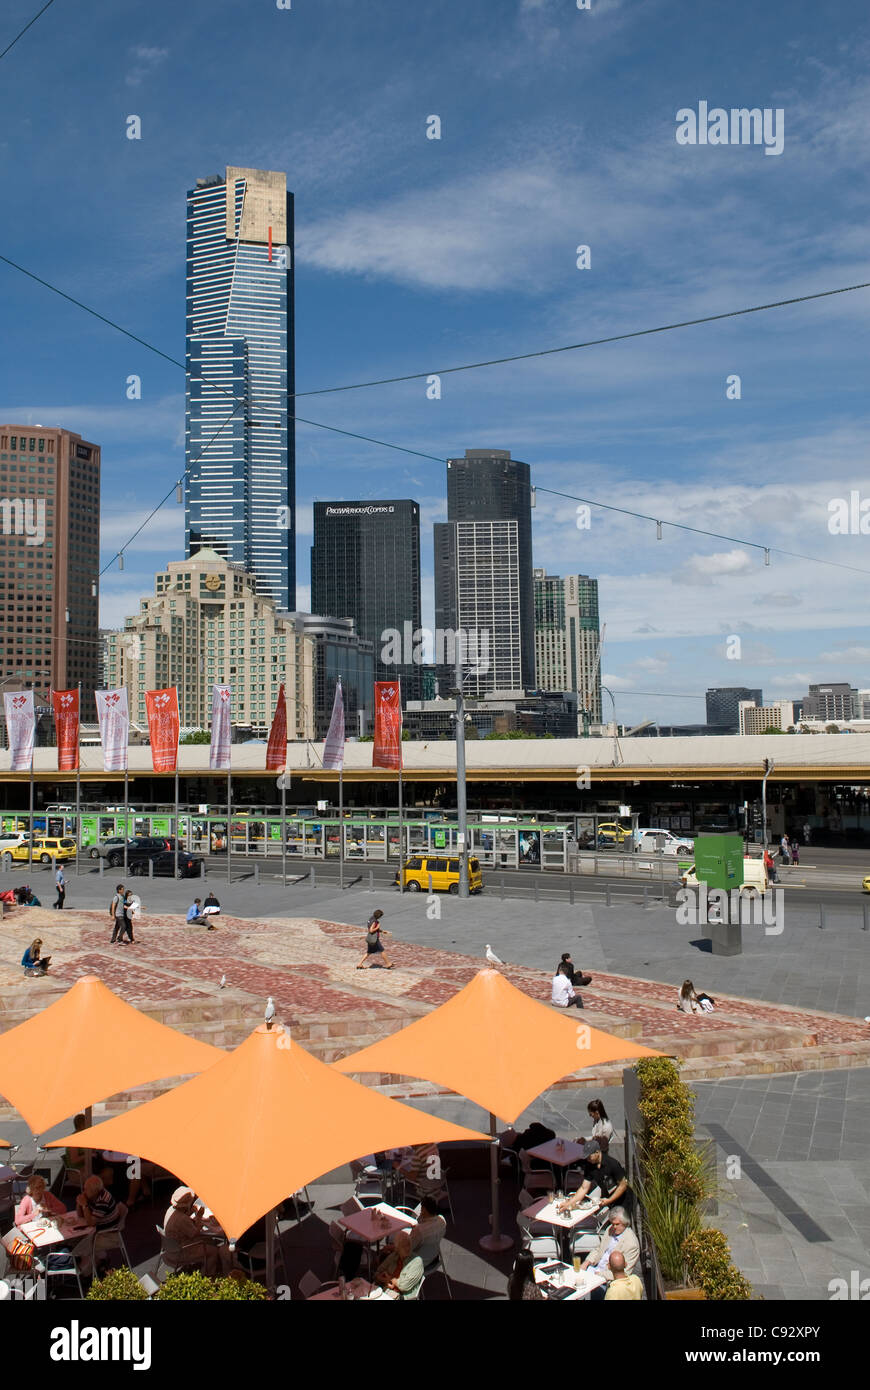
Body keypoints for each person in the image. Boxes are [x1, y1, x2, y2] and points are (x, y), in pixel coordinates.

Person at [163, 1186, 230, 1276]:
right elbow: (195, 1233)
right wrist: (199, 1216)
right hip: (182, 1251)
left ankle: (210, 1267)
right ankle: (208, 1276)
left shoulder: (171, 1210)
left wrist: (193, 1213)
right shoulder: (182, 1219)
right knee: (213, 1251)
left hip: (171, 1248)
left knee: (209, 1241)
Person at [579, 1208, 640, 1299]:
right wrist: (586, 1262)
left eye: (617, 1224)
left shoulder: (631, 1244)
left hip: (607, 1278)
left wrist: (599, 1274)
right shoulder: (610, 1230)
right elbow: (599, 1249)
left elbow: (625, 1272)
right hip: (595, 1268)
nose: (614, 1227)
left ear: (625, 1223)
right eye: (612, 1224)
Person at [560, 1142, 628, 1213]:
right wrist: (568, 1204)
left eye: (589, 1156)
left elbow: (623, 1186)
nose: (588, 1159)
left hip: (621, 1201)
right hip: (606, 1199)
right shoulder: (589, 1165)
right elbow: (584, 1188)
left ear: (597, 1152)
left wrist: (610, 1200)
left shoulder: (612, 1164)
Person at [373, 1230, 424, 1299]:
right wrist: (381, 1278)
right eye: (403, 1246)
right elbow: (378, 1272)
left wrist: (389, 1279)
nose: (407, 1248)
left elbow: (404, 1286)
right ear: (397, 1248)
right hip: (385, 1289)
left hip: (401, 1296)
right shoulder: (394, 1256)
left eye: (408, 1244)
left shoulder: (416, 1261)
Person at [409, 1194, 447, 1266]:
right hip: (434, 1256)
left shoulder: (419, 1230)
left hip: (418, 1263)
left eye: (421, 1208)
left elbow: (407, 1249)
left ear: (424, 1209)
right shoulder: (442, 1221)